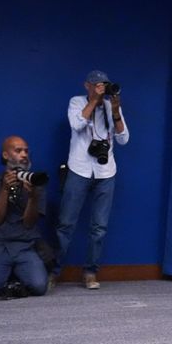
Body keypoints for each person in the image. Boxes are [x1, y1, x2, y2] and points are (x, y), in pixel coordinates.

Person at [52, 70, 129, 290]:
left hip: (106, 172)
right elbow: (76, 125)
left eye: (104, 85)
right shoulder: (76, 102)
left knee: (99, 227)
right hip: (79, 169)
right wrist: (93, 101)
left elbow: (124, 139)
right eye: (96, 85)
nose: (101, 89)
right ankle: (54, 271)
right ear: (87, 85)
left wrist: (114, 111)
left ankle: (90, 271)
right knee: (66, 224)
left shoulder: (110, 106)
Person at [0, 136, 48, 297]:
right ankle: (10, 277)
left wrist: (32, 197)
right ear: (5, 155)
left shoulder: (35, 184)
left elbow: (29, 223)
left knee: (39, 287)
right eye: (18, 151)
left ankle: (15, 276)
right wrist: (4, 190)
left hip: (24, 246)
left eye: (26, 151)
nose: (24, 154)